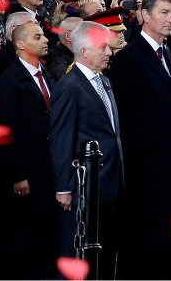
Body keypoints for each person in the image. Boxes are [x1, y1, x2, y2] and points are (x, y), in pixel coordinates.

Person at [110, 0, 171, 278]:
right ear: (144, 15)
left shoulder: (166, 54)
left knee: (165, 251)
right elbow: (123, 118)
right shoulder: (129, 58)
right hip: (143, 173)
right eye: (164, 13)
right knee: (144, 250)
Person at [50, 21, 125, 270]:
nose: (109, 52)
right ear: (84, 51)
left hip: (108, 184)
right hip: (83, 189)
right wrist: (64, 187)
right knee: (77, 255)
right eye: (103, 47)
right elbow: (62, 138)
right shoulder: (69, 86)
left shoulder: (105, 81)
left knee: (103, 254)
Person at [0, 21, 57, 279]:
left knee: (44, 242)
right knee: (21, 243)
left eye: (43, 35)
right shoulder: (10, 81)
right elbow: (5, 131)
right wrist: (18, 175)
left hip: (48, 174)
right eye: (37, 36)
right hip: (24, 178)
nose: (45, 39)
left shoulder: (49, 76)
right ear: (20, 44)